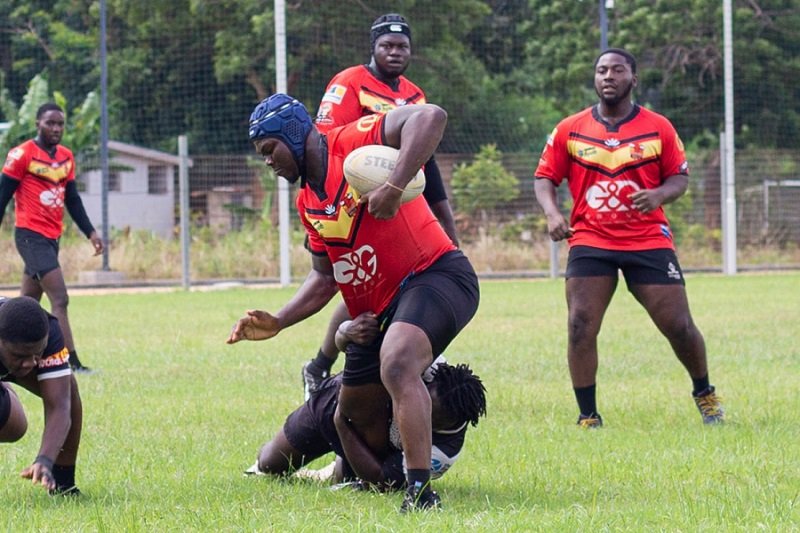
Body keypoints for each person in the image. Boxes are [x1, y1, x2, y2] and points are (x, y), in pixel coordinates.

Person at [228, 93, 480, 511]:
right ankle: (358, 472)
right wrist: (279, 321)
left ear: (292, 133)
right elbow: (325, 277)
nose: (268, 162)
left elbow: (431, 116)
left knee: (398, 363)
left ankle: (419, 492)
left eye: (270, 150)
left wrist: (395, 185)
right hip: (375, 314)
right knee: (342, 422)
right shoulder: (307, 202)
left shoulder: (352, 141)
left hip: (436, 273)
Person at [533, 48, 724, 428]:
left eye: (617, 70)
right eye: (601, 70)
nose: (608, 76)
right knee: (579, 323)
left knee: (679, 326)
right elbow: (544, 178)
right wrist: (553, 214)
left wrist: (658, 195)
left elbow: (680, 178)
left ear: (633, 79)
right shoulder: (570, 128)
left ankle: (705, 393)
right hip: (591, 239)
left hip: (647, 238)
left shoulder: (659, 127)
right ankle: (588, 416)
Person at [302, 13, 458, 400]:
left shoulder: (414, 95)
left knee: (388, 288)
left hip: (398, 197)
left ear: (411, 51)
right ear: (372, 48)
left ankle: (335, 364)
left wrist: (447, 222)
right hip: (352, 201)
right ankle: (323, 364)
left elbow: (427, 162)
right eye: (387, 45)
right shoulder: (348, 82)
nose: (394, 52)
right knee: (361, 286)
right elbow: (324, 143)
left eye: (401, 46)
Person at [246, 314, 486, 491]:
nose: (417, 408)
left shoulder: (442, 452)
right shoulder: (419, 358)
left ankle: (340, 470)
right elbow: (346, 341)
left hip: (363, 442)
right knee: (268, 464)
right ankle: (337, 467)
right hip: (336, 399)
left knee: (355, 482)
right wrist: (347, 330)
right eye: (421, 396)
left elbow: (382, 478)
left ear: (449, 422)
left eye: (429, 415)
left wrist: (342, 426)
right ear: (429, 379)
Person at [0, 102, 104, 373]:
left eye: (60, 124)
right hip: (29, 237)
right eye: (50, 123)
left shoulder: (66, 157)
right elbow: (2, 197)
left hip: (51, 239)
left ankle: (11, 354)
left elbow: (73, 199)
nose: (56, 128)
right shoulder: (22, 154)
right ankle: (72, 362)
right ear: (38, 124)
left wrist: (90, 231)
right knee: (60, 298)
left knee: (26, 305)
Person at [0, 295, 84, 495]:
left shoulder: (50, 330)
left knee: (67, 389)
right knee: (13, 426)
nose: (30, 363)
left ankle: (63, 485)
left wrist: (45, 460)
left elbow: (61, 406)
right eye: (20, 356)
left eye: (37, 353)